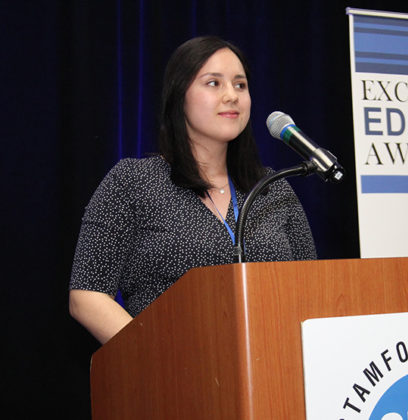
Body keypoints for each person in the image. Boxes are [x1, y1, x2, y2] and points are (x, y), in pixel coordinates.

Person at [69, 36, 316, 344]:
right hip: (171, 366)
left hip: (273, 362)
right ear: (179, 95)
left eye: (240, 85)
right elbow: (87, 295)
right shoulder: (133, 182)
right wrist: (157, 357)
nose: (231, 96)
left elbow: (311, 290)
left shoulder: (272, 188)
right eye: (213, 83)